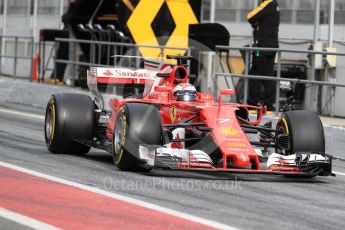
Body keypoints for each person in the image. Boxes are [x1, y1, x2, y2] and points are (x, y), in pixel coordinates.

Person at [247, 0, 280, 110]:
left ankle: (252, 104)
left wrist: (255, 23)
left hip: (262, 47)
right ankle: (269, 105)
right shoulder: (275, 5)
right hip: (273, 45)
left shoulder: (267, 4)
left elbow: (250, 16)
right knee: (268, 75)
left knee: (255, 75)